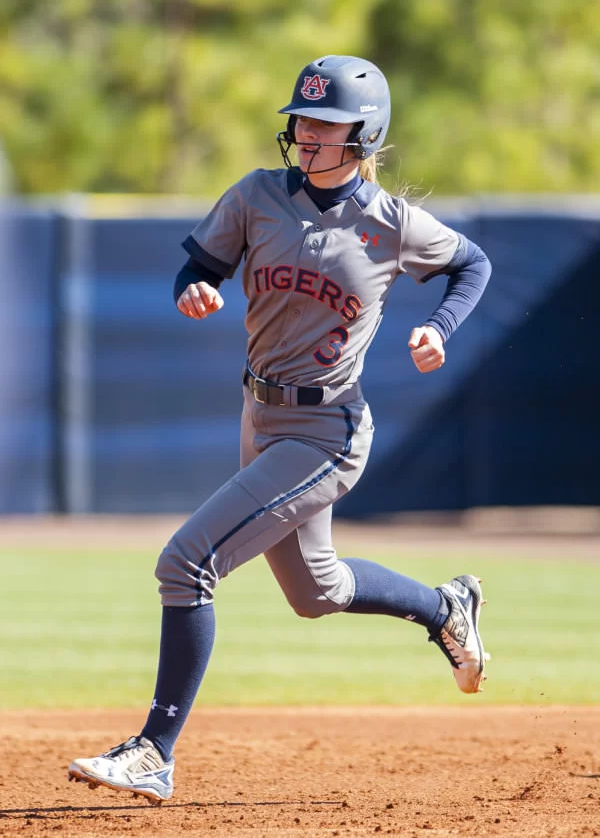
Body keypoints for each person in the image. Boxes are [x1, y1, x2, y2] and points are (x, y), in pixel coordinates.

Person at [68, 54, 492, 804]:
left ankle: (153, 750)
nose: (306, 133)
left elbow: (473, 264)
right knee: (316, 589)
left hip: (327, 429)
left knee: (185, 563)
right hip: (260, 414)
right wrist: (194, 287)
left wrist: (441, 327)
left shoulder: (392, 225)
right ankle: (444, 606)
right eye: (301, 119)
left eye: (326, 123)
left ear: (365, 134)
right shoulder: (257, 196)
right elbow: (199, 264)